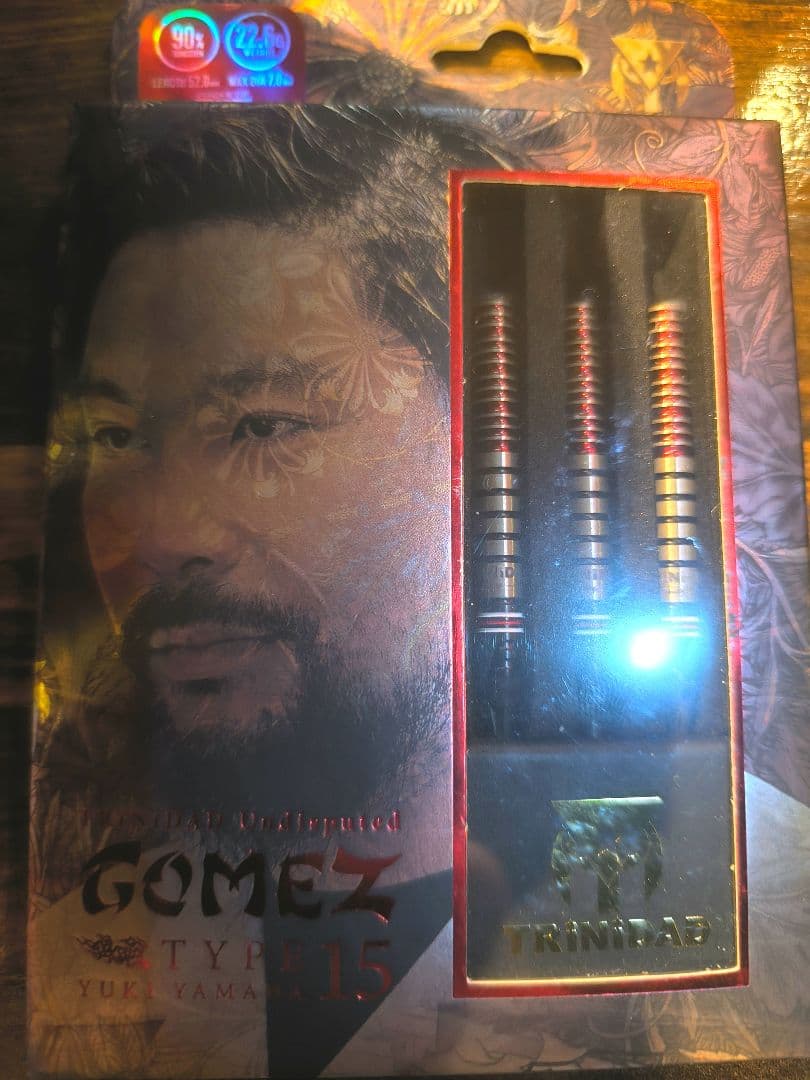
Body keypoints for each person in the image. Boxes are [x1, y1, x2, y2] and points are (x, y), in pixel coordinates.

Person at [32, 102, 516, 1076]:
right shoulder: (71, 964)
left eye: (263, 425)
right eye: (118, 437)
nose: (158, 535)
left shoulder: (742, 921)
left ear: (477, 447)